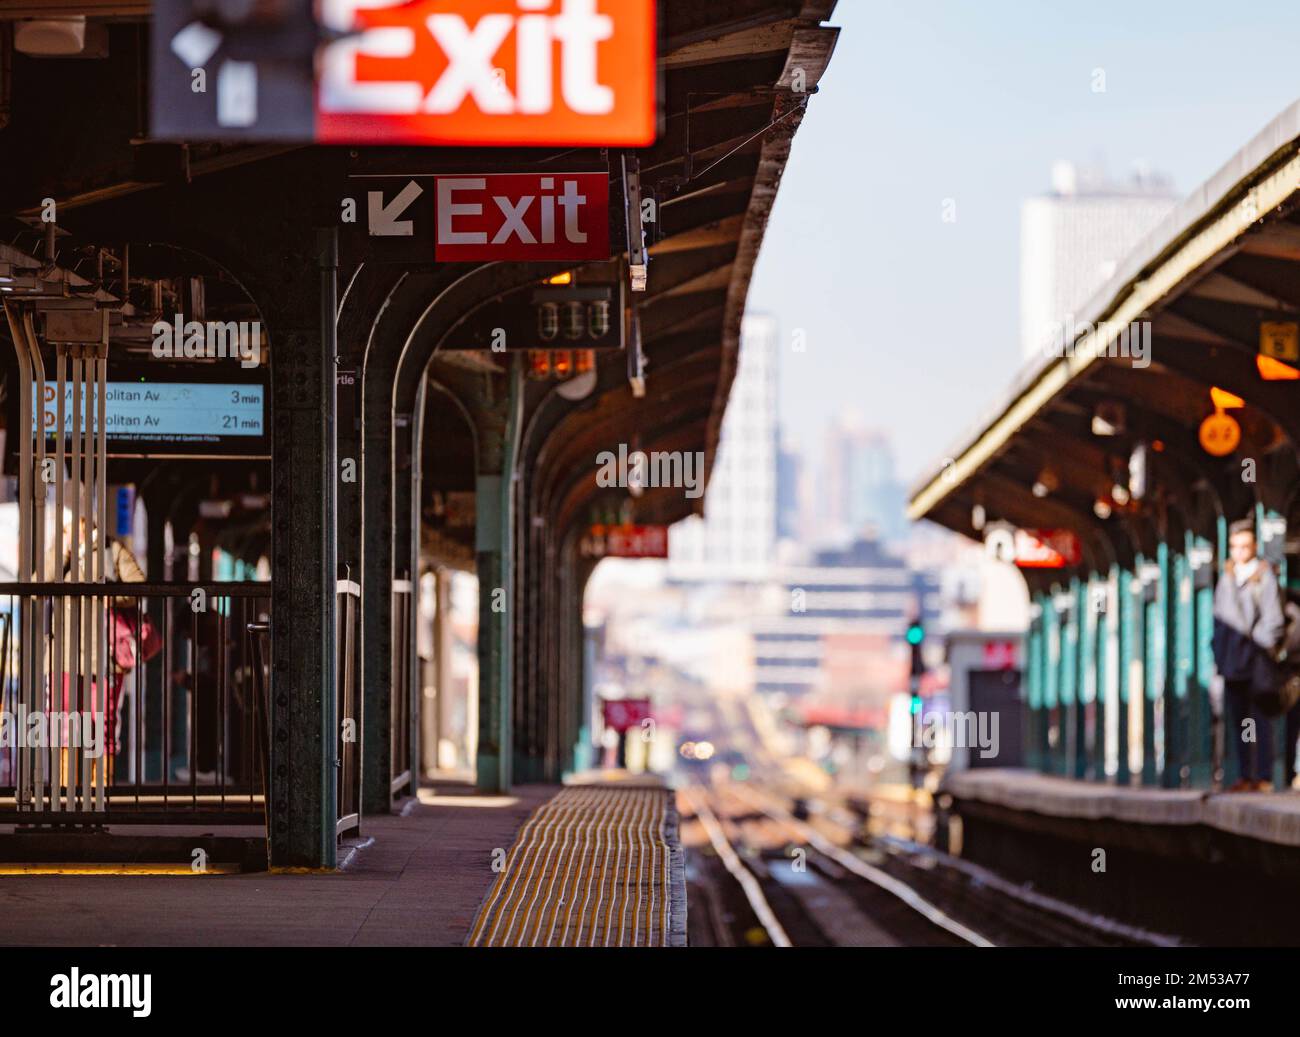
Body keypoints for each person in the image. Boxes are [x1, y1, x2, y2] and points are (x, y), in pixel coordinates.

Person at [1211, 517, 1286, 791]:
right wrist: (1219, 655)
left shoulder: (1263, 577)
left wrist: (1256, 646)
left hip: (1255, 663)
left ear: (1254, 546)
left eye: (1244, 546)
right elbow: (1218, 623)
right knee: (1241, 721)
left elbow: (1274, 620)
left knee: (1260, 720)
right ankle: (1246, 773)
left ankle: (1263, 776)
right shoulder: (1227, 578)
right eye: (1234, 547)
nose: (1239, 552)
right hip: (1232, 665)